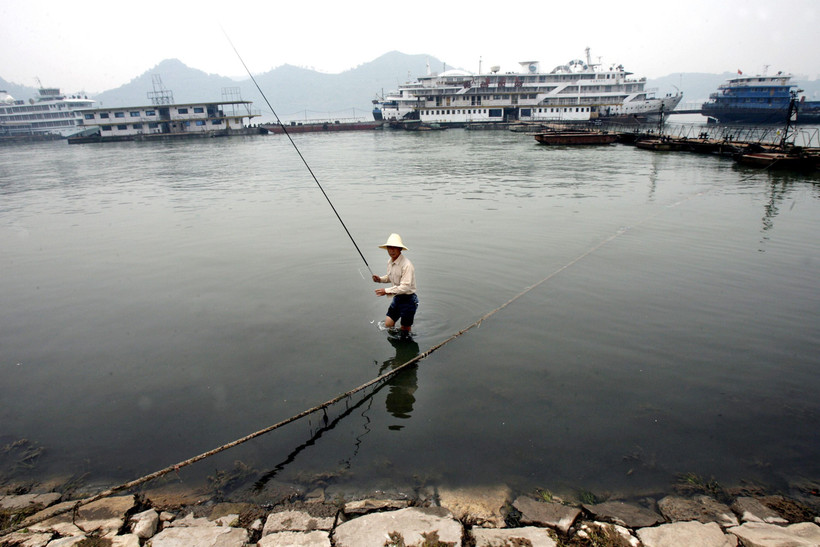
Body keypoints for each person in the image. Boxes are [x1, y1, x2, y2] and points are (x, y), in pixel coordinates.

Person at [372, 233, 418, 335]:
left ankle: (405, 345)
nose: (391, 250)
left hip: (408, 300)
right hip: (397, 298)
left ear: (400, 249)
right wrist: (379, 279)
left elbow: (405, 287)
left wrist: (386, 291)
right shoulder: (390, 261)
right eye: (389, 248)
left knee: (405, 330)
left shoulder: (407, 265)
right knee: (388, 324)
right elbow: (390, 277)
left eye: (394, 248)